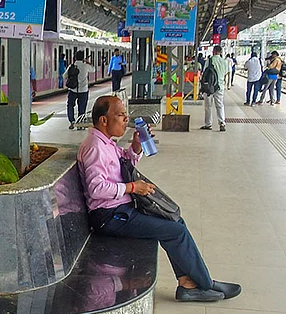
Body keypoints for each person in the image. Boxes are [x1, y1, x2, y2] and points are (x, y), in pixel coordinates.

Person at [77, 96, 241, 302]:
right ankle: (205, 284)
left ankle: (189, 283)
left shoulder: (105, 142)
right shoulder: (95, 147)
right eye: (120, 115)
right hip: (110, 217)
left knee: (176, 221)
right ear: (103, 120)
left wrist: (136, 147)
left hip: (121, 211)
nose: (126, 119)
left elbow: (123, 163)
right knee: (176, 232)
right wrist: (133, 187)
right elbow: (96, 188)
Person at [201, 45, 227, 132]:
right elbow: (226, 73)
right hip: (220, 86)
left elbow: (204, 72)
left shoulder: (209, 60)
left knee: (208, 106)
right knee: (220, 105)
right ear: (221, 52)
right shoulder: (224, 62)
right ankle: (222, 123)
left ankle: (208, 124)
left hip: (209, 87)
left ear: (213, 51)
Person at [66, 50, 92, 130]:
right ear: (83, 58)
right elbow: (93, 69)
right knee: (82, 107)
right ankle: (80, 124)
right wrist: (88, 62)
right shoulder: (86, 66)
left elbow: (64, 76)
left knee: (70, 105)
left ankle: (72, 121)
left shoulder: (71, 66)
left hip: (72, 90)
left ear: (75, 57)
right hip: (83, 90)